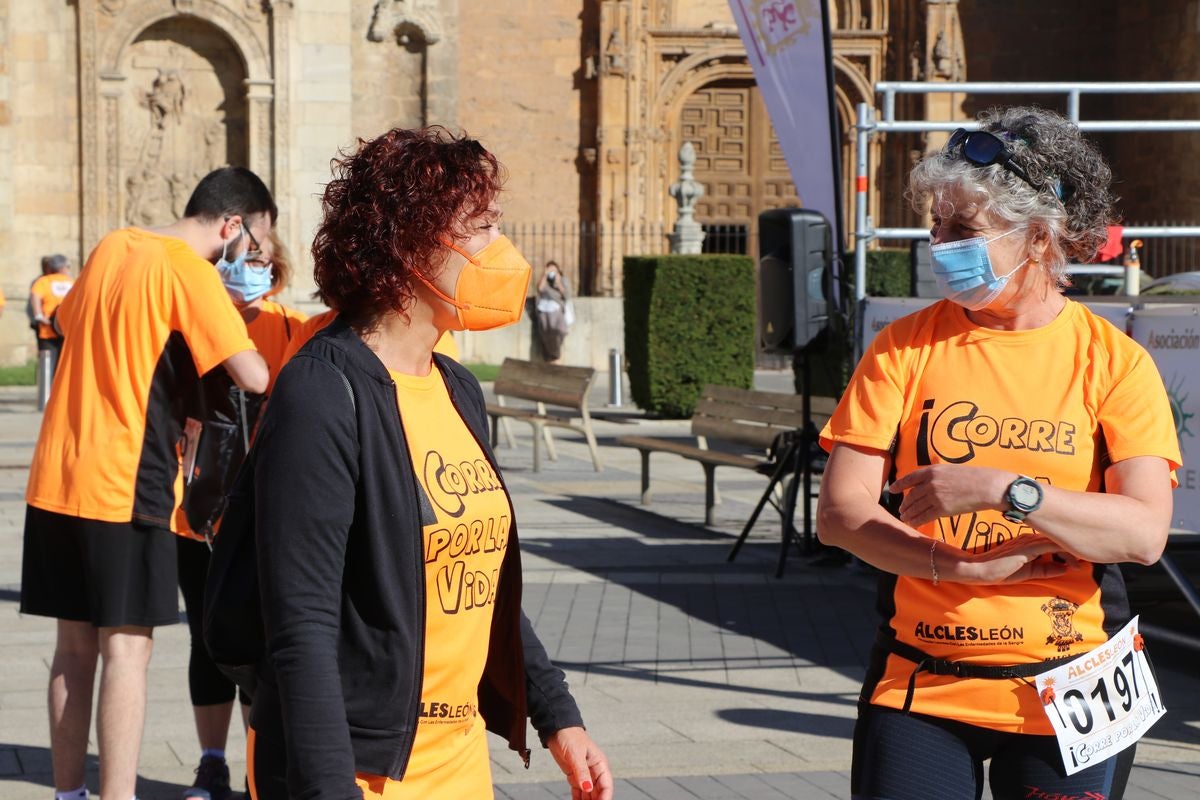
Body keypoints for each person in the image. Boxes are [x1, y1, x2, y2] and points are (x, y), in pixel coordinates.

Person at [816, 107, 1180, 800]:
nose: (939, 244)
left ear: (1038, 237)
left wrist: (1005, 490)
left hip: (1075, 688)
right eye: (936, 225)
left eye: (963, 229)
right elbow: (839, 514)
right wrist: (958, 566)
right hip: (923, 683)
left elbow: (1142, 533)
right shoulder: (904, 346)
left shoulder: (1114, 362)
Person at [241, 127, 612, 799]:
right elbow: (300, 626)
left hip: (458, 757)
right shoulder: (322, 392)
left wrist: (557, 716)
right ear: (409, 246)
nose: (501, 249)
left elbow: (480, 583)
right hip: (356, 766)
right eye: (481, 228)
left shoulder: (456, 387)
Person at [20, 166, 274, 800]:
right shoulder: (189, 270)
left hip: (58, 474)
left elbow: (68, 323)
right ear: (232, 225)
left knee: (72, 648)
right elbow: (254, 375)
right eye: (255, 241)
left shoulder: (112, 244)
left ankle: (68, 793)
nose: (253, 256)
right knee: (128, 652)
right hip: (125, 481)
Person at [176, 230, 307, 800]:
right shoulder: (196, 321)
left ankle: (261, 767)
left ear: (276, 269)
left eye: (261, 259)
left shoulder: (293, 327)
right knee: (205, 639)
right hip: (198, 508)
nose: (252, 267)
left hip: (268, 511)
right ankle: (211, 763)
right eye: (243, 257)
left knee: (263, 643)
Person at [30, 254, 75, 375]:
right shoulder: (71, 282)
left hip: (48, 328)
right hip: (67, 330)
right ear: (63, 268)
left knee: (47, 365)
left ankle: (47, 386)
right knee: (65, 367)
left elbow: (35, 297)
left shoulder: (43, 281)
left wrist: (39, 315)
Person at [535, 260, 572, 363]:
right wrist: (545, 275)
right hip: (544, 311)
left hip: (557, 311)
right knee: (546, 333)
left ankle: (554, 357)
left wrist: (558, 282)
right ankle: (552, 358)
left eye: (554, 270)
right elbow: (540, 289)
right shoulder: (545, 280)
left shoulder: (563, 280)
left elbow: (567, 295)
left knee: (559, 332)